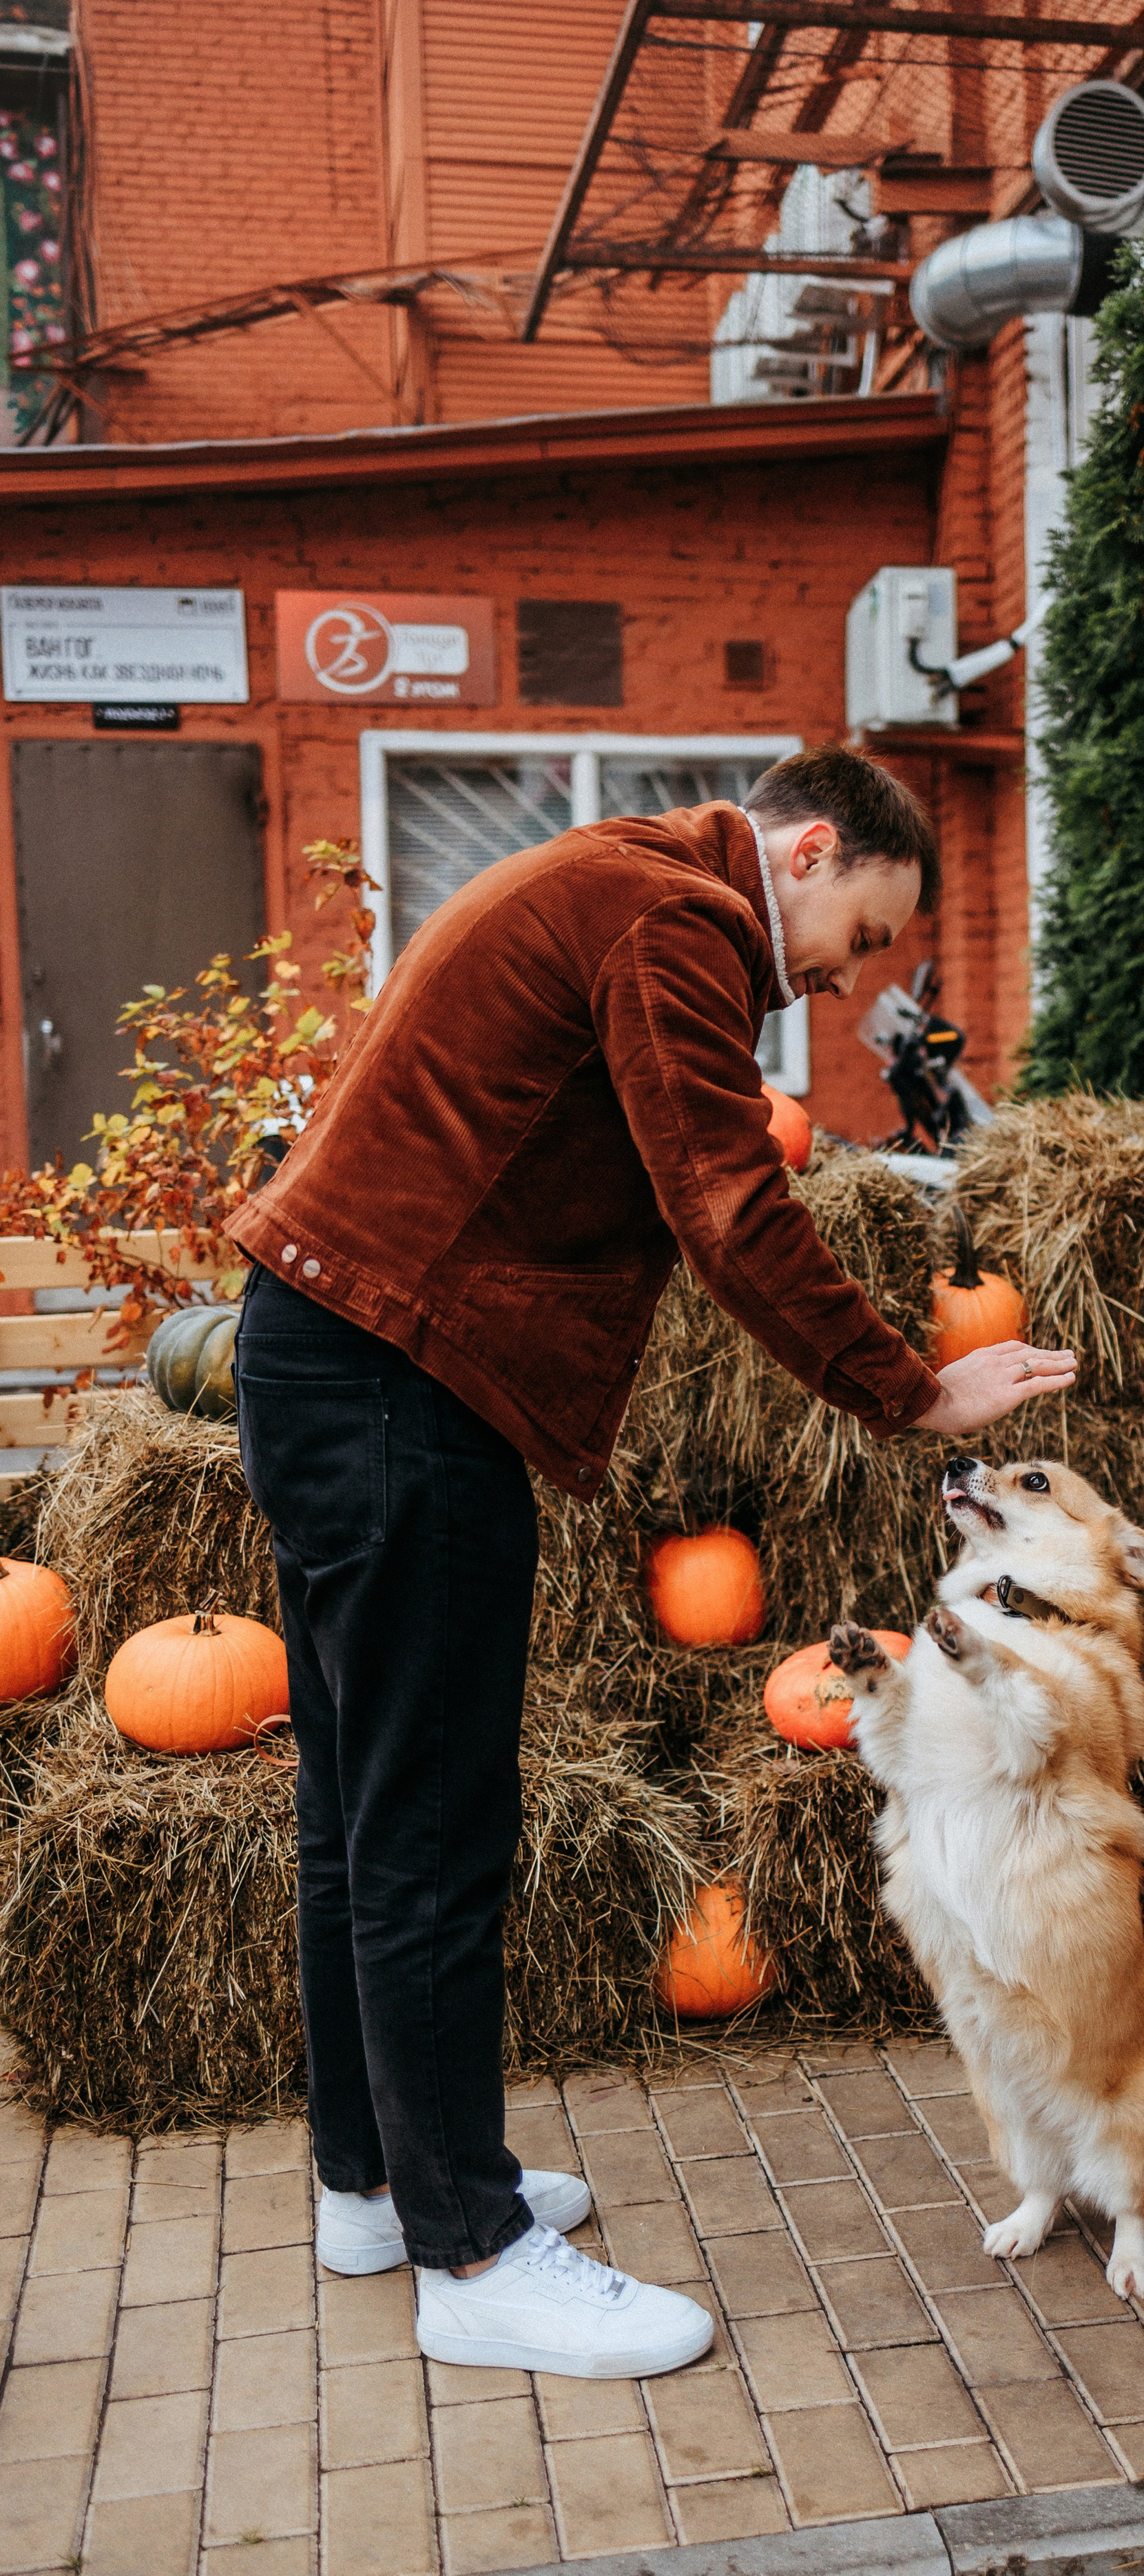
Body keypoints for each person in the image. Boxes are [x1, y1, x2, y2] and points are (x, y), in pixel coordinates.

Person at [227, 746, 1077, 2381]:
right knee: (429, 1831)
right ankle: (472, 2253)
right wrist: (912, 1385)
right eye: (864, 933)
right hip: (404, 1380)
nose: (843, 981)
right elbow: (728, 1208)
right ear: (811, 848)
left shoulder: (614, 882)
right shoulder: (669, 920)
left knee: (355, 1815)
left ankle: (376, 2183)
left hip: (334, 1353)